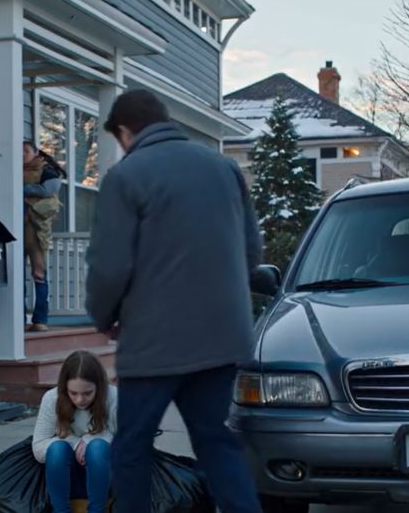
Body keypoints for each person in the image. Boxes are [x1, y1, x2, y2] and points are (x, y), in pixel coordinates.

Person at [84, 90, 264, 513]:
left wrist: (104, 315)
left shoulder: (126, 177)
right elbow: (252, 251)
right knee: (215, 440)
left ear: (126, 132)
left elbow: (109, 265)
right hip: (222, 336)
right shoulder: (223, 168)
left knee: (131, 447)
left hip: (155, 341)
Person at [32, 350, 116, 513]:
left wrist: (93, 439)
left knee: (97, 447)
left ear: (99, 387)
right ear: (64, 388)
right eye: (73, 393)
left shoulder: (113, 397)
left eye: (87, 393)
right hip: (67, 475)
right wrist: (77, 444)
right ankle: (61, 511)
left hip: (105, 473)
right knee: (56, 448)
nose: (80, 400)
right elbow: (39, 447)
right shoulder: (52, 398)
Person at [22, 140, 66, 332]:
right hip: (16, 228)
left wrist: (20, 189)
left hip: (36, 229)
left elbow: (48, 190)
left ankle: (40, 319)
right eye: (19, 152)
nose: (22, 154)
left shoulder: (46, 170)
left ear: (36, 152)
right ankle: (18, 318)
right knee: (15, 274)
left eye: (26, 151)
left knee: (38, 272)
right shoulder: (14, 169)